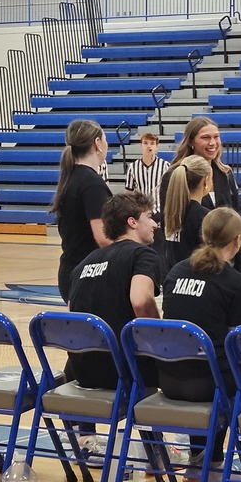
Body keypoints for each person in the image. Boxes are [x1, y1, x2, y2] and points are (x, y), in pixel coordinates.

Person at [160, 207, 241, 482]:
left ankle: (199, 462)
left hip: (169, 379)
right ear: (238, 241)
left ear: (203, 235)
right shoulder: (233, 282)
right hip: (207, 385)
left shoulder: (176, 272)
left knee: (202, 361)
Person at [68, 192, 162, 391]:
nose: (154, 224)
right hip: (124, 369)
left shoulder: (85, 262)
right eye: (149, 217)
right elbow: (140, 301)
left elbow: (72, 311)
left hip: (81, 371)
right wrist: (158, 338)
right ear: (132, 222)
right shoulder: (143, 255)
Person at [159, 117, 241, 279]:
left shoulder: (225, 174)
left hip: (225, 265)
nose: (213, 143)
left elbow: (237, 223)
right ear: (191, 142)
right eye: (205, 138)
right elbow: (170, 226)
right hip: (190, 266)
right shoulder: (176, 175)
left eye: (216, 137)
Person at [50, 119, 112, 302]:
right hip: (86, 274)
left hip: (72, 269)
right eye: (105, 139)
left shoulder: (72, 178)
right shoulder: (91, 183)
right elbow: (102, 237)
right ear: (98, 144)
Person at [163, 155, 212, 271]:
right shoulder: (204, 216)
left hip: (173, 279)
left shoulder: (171, 211)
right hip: (196, 281)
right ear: (206, 180)